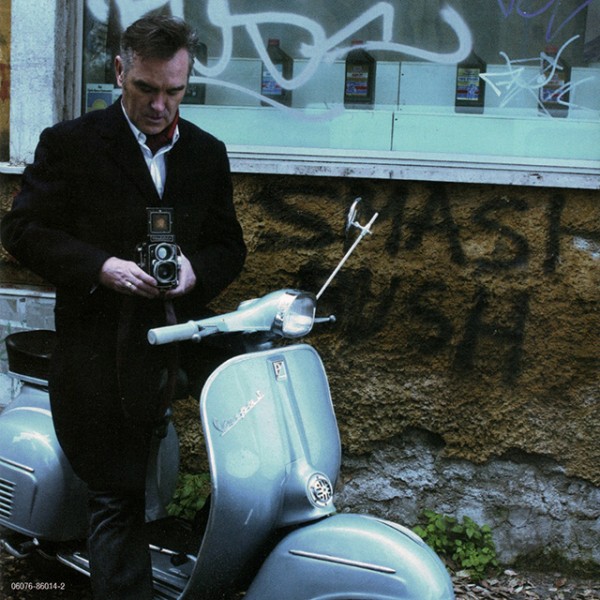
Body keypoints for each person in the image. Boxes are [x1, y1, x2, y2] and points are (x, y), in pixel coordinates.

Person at [1, 15, 246, 600]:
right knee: (116, 496)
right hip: (97, 356)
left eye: (174, 92)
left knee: (224, 469)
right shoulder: (72, 144)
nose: (161, 105)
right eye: (146, 89)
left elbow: (228, 245)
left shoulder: (207, 155)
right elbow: (22, 229)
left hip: (175, 349)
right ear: (119, 71)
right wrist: (101, 267)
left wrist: (195, 271)